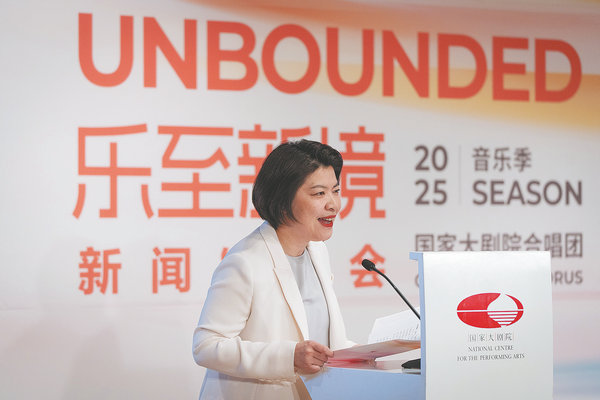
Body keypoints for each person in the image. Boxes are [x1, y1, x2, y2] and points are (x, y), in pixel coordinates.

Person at [192, 139, 354, 400]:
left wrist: (374, 355)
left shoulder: (318, 252)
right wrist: (289, 357)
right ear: (282, 200)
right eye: (319, 194)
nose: (333, 204)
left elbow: (320, 338)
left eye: (336, 191)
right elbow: (206, 346)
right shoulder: (245, 262)